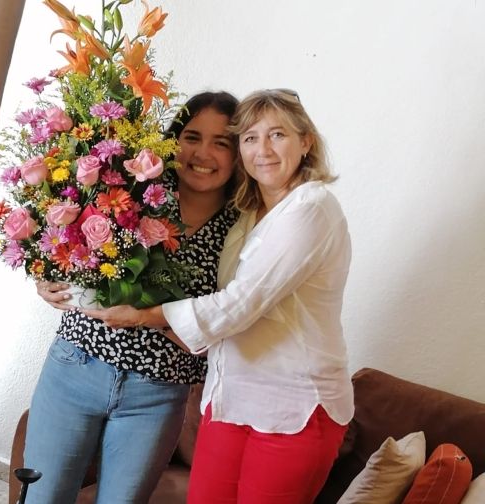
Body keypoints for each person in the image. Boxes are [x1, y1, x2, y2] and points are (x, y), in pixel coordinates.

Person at [84, 89, 354, 504]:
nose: (262, 149)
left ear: (306, 142)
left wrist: (142, 316)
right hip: (229, 397)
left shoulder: (311, 208)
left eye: (277, 134)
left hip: (294, 408)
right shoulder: (247, 216)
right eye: (249, 138)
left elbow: (239, 304)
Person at [24, 91, 240, 504]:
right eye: (192, 136)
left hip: (157, 395)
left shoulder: (244, 232)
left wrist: (151, 317)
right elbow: (69, 247)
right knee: (42, 497)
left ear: (237, 155)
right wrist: (46, 276)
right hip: (76, 365)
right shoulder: (133, 193)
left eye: (221, 142)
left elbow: (221, 334)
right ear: (173, 140)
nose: (203, 153)